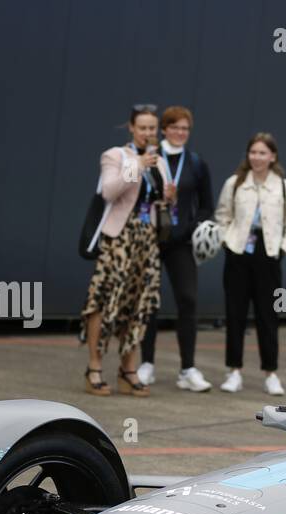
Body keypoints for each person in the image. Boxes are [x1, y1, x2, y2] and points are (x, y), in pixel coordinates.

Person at [80, 105, 164, 398]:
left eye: (152, 128)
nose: (148, 133)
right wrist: (138, 165)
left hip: (146, 240)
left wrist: (168, 197)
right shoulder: (116, 155)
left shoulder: (159, 161)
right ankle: (94, 368)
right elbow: (109, 191)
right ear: (131, 127)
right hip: (119, 240)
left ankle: (129, 370)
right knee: (104, 300)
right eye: (142, 128)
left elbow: (157, 202)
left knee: (138, 305)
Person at [214, 132, 286, 395]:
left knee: (269, 316)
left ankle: (271, 373)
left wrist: (282, 250)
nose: (257, 157)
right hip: (238, 255)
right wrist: (227, 242)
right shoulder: (235, 183)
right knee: (235, 314)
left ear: (273, 156)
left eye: (262, 152)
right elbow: (222, 215)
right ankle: (233, 371)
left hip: (270, 258)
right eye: (253, 152)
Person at [137, 105, 216, 392]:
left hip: (181, 242)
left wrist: (190, 227)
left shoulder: (196, 163)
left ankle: (187, 369)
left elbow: (207, 205)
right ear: (164, 129)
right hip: (150, 239)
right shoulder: (150, 159)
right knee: (149, 302)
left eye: (185, 128)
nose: (180, 132)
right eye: (175, 127)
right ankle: (146, 364)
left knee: (188, 300)